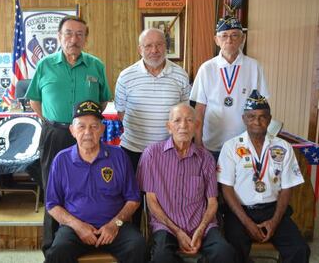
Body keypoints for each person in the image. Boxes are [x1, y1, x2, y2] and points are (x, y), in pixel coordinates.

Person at [25, 16, 112, 252]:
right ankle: (53, 248)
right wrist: (53, 122)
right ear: (59, 36)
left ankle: (87, 240)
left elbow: (103, 100)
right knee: (53, 191)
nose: (74, 39)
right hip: (55, 134)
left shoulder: (96, 66)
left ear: (86, 38)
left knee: (86, 187)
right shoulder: (44, 65)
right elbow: (35, 100)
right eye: (69, 34)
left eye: (80, 34)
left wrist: (84, 125)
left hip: (88, 136)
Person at [45, 100, 146, 263]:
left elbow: (133, 199)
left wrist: (115, 224)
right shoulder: (61, 160)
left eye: (94, 126)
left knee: (138, 246)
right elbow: (52, 204)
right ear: (72, 130)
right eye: (81, 126)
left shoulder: (119, 156)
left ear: (103, 129)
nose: (88, 132)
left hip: (116, 227)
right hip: (75, 229)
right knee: (58, 251)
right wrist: (77, 226)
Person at [218, 90, 310, 263]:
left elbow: (287, 188)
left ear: (270, 119)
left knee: (299, 249)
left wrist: (274, 222)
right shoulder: (231, 147)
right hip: (240, 212)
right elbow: (226, 189)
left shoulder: (284, 147)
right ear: (244, 119)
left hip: (273, 210)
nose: (257, 122)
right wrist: (247, 223)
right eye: (252, 117)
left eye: (262, 117)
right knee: (231, 251)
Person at [137, 103, 236, 263]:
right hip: (166, 226)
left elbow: (212, 203)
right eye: (177, 121)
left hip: (202, 226)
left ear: (196, 126)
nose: (183, 126)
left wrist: (201, 229)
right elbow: (151, 202)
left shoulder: (206, 158)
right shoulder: (152, 155)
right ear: (169, 127)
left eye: (189, 120)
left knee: (224, 252)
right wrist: (177, 232)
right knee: (162, 257)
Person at [114, 28, 190, 226]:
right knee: (133, 203)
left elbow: (185, 114)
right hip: (133, 150)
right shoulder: (126, 76)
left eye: (159, 45)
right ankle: (136, 248)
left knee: (166, 205)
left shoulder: (180, 75)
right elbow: (121, 113)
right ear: (140, 49)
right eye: (148, 45)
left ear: (166, 47)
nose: (154, 50)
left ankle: (162, 248)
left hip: (168, 153)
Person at [189, 15, 269, 160]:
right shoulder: (207, 68)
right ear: (216, 40)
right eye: (224, 36)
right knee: (211, 183)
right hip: (211, 144)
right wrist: (198, 143)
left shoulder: (254, 67)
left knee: (240, 183)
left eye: (234, 35)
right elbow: (199, 110)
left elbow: (262, 109)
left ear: (242, 38)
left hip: (244, 144)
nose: (229, 40)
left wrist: (259, 140)